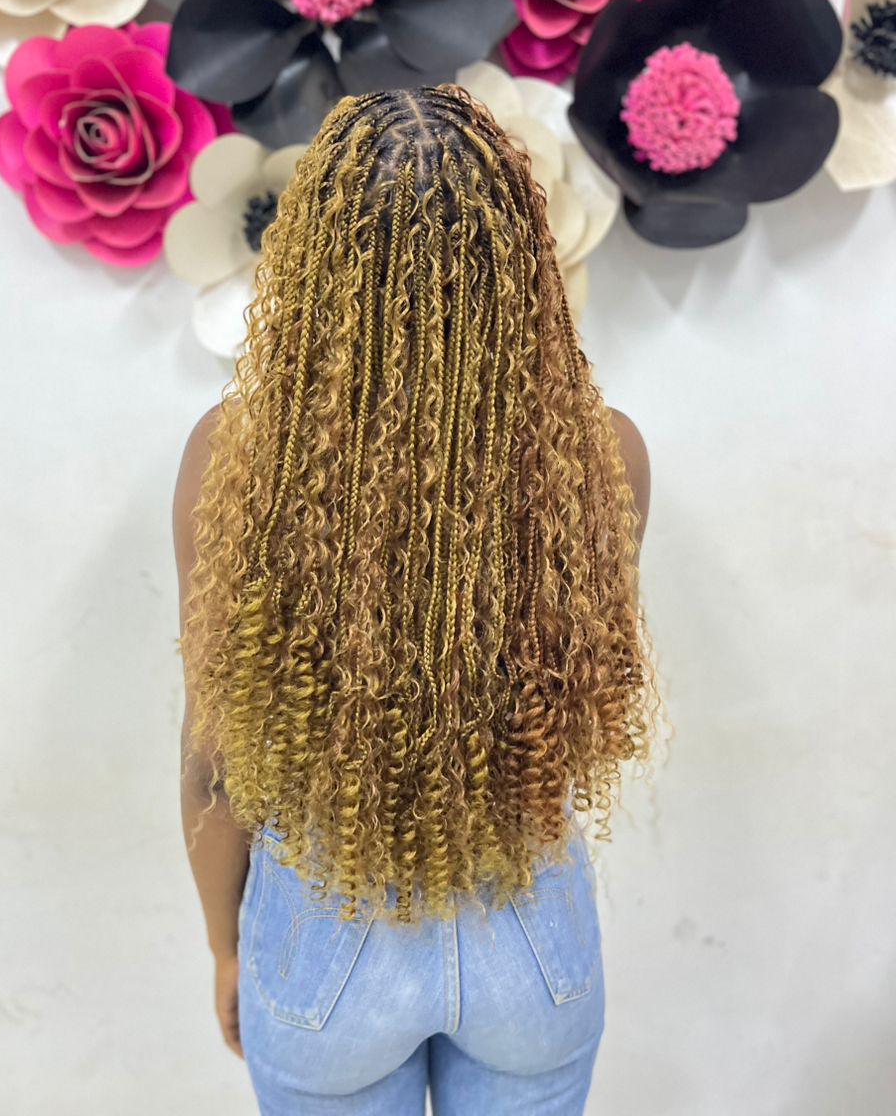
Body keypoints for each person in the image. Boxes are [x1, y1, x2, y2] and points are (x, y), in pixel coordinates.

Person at [171, 85, 660, 1114]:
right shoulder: (603, 457)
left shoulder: (234, 463)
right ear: (520, 257)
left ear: (311, 261)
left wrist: (225, 944)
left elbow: (213, 761)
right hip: (530, 939)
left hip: (325, 940)